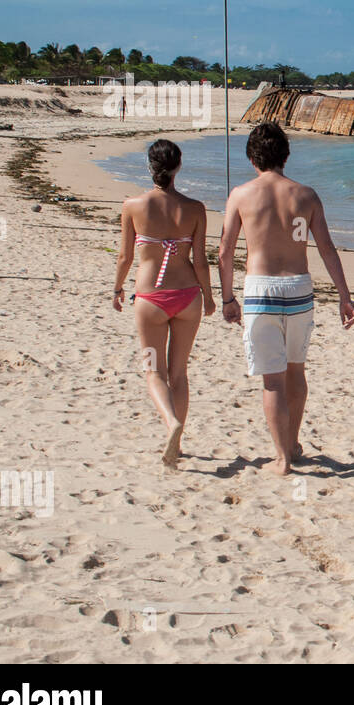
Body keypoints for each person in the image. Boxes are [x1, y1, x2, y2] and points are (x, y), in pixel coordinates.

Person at [219, 122, 354, 475]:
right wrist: (345, 296)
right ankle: (292, 444)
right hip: (298, 288)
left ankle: (281, 458)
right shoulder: (306, 195)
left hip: (261, 290)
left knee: (273, 380)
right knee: (296, 371)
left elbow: (224, 251)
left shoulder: (241, 194)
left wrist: (228, 298)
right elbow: (326, 248)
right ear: (286, 155)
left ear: (252, 158)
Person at [114, 139, 216, 466]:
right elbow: (201, 261)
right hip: (188, 296)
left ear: (150, 167)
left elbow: (125, 256)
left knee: (152, 370)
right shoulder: (195, 208)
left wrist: (117, 288)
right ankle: (180, 440)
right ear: (178, 167)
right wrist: (211, 297)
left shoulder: (133, 206)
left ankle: (171, 423)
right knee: (179, 373)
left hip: (149, 299)